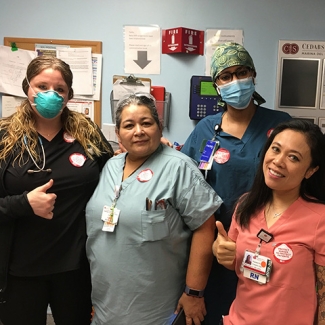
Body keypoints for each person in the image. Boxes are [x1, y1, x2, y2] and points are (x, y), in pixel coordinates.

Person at [85, 93, 223, 325]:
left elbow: (205, 228)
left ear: (160, 127)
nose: (138, 131)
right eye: (129, 125)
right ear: (118, 134)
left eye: (146, 123)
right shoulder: (111, 166)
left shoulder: (179, 168)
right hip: (106, 303)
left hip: (156, 308)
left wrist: (194, 292)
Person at [181, 42, 291, 324]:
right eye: (225, 76)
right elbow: (184, 177)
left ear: (253, 75)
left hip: (267, 245)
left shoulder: (281, 126)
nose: (235, 82)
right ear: (217, 85)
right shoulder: (206, 129)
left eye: (241, 73)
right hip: (216, 247)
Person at [0, 56, 113, 325]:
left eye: (59, 89)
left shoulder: (88, 133)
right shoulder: (4, 137)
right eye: (42, 86)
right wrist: (23, 204)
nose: (50, 94)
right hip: (19, 271)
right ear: (27, 87)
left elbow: (118, 172)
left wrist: (152, 149)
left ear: (69, 94)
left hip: (75, 267)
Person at [213, 119, 325, 324]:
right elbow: (238, 263)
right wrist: (221, 252)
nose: (278, 161)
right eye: (275, 149)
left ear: (311, 170)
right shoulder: (246, 205)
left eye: (293, 157)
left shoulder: (320, 219)